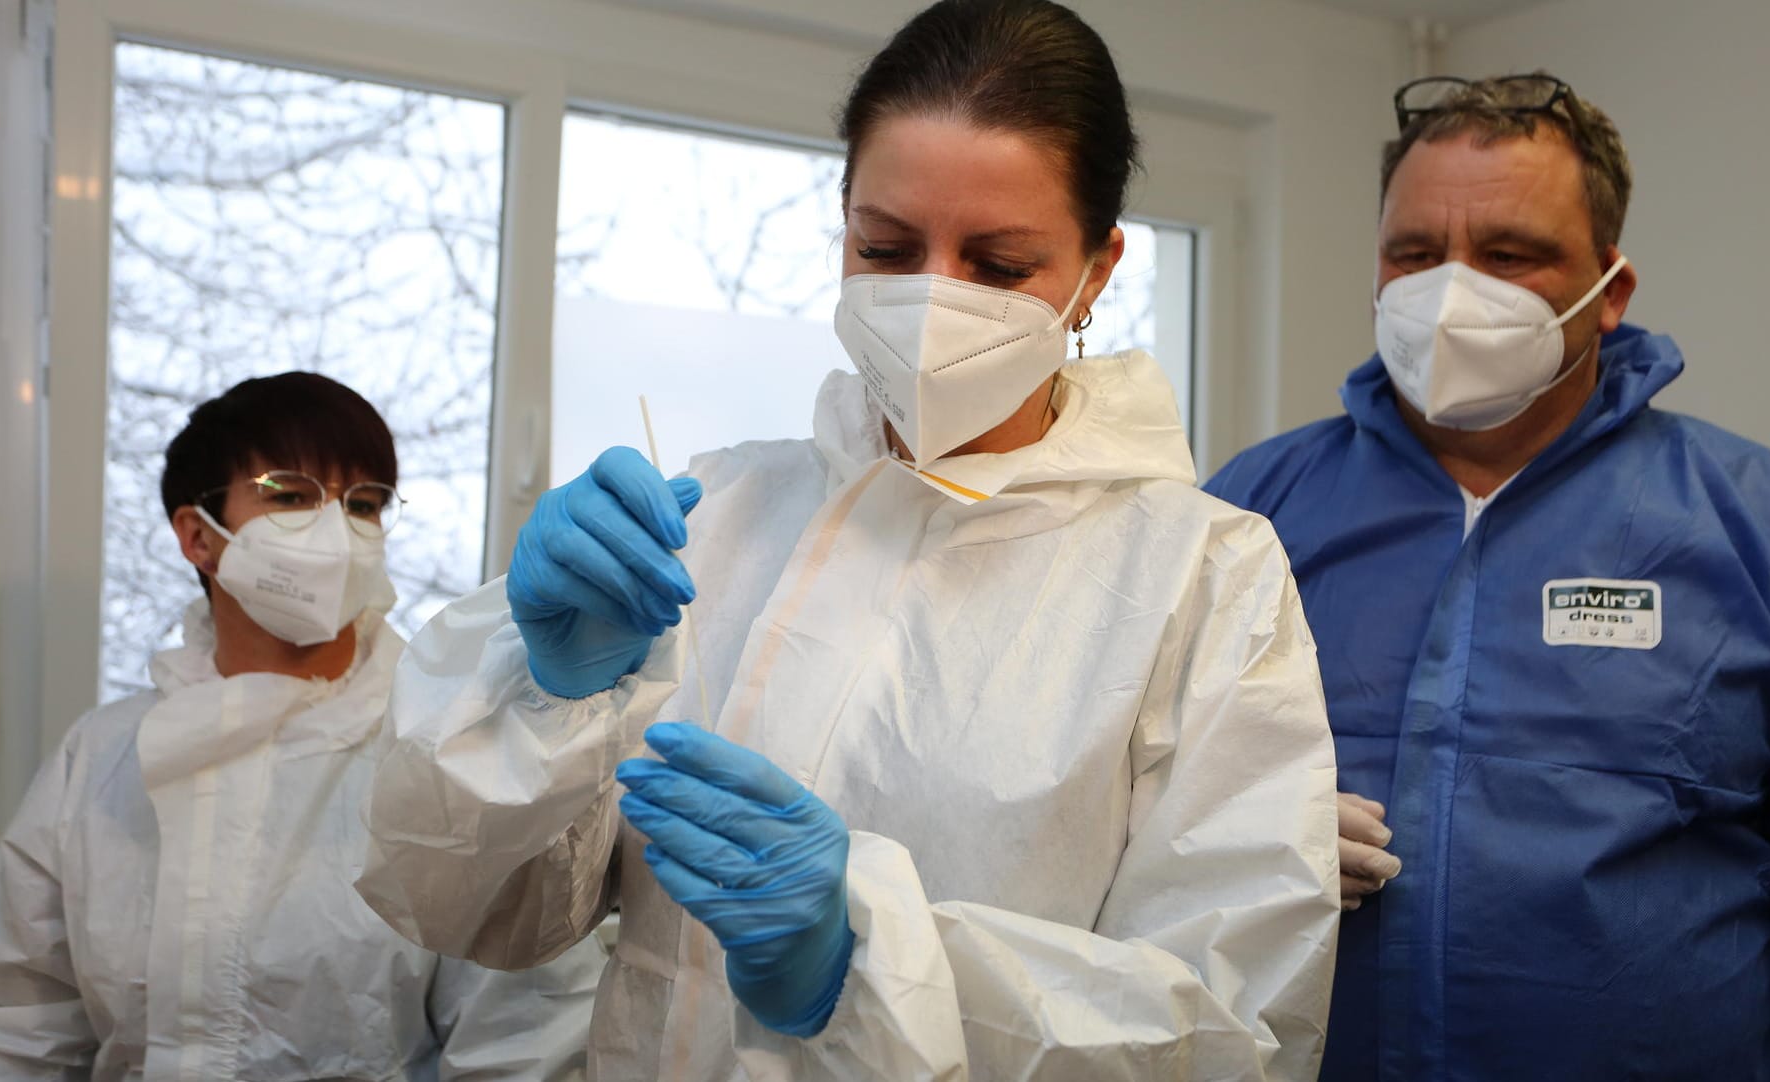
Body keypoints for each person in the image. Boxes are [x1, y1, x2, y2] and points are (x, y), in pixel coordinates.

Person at [353, 2, 1341, 1078]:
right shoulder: (722, 511)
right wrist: (541, 697)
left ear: (1097, 271)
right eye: (888, 247)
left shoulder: (1201, 578)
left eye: (1000, 264)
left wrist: (871, 963)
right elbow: (463, 905)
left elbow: (1234, 1034)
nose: (932, 300)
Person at [1205, 73, 1770, 1081]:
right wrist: (1230, 829)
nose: (1452, 292)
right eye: (1416, 254)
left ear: (1612, 291)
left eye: (1510, 256)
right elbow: (1125, 812)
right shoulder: (1251, 512)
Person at [0, 372, 604, 1080]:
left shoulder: (448, 752)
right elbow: (13, 1026)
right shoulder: (102, 758)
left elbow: (522, 1038)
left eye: (364, 503)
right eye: (290, 495)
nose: (336, 531)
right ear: (198, 538)